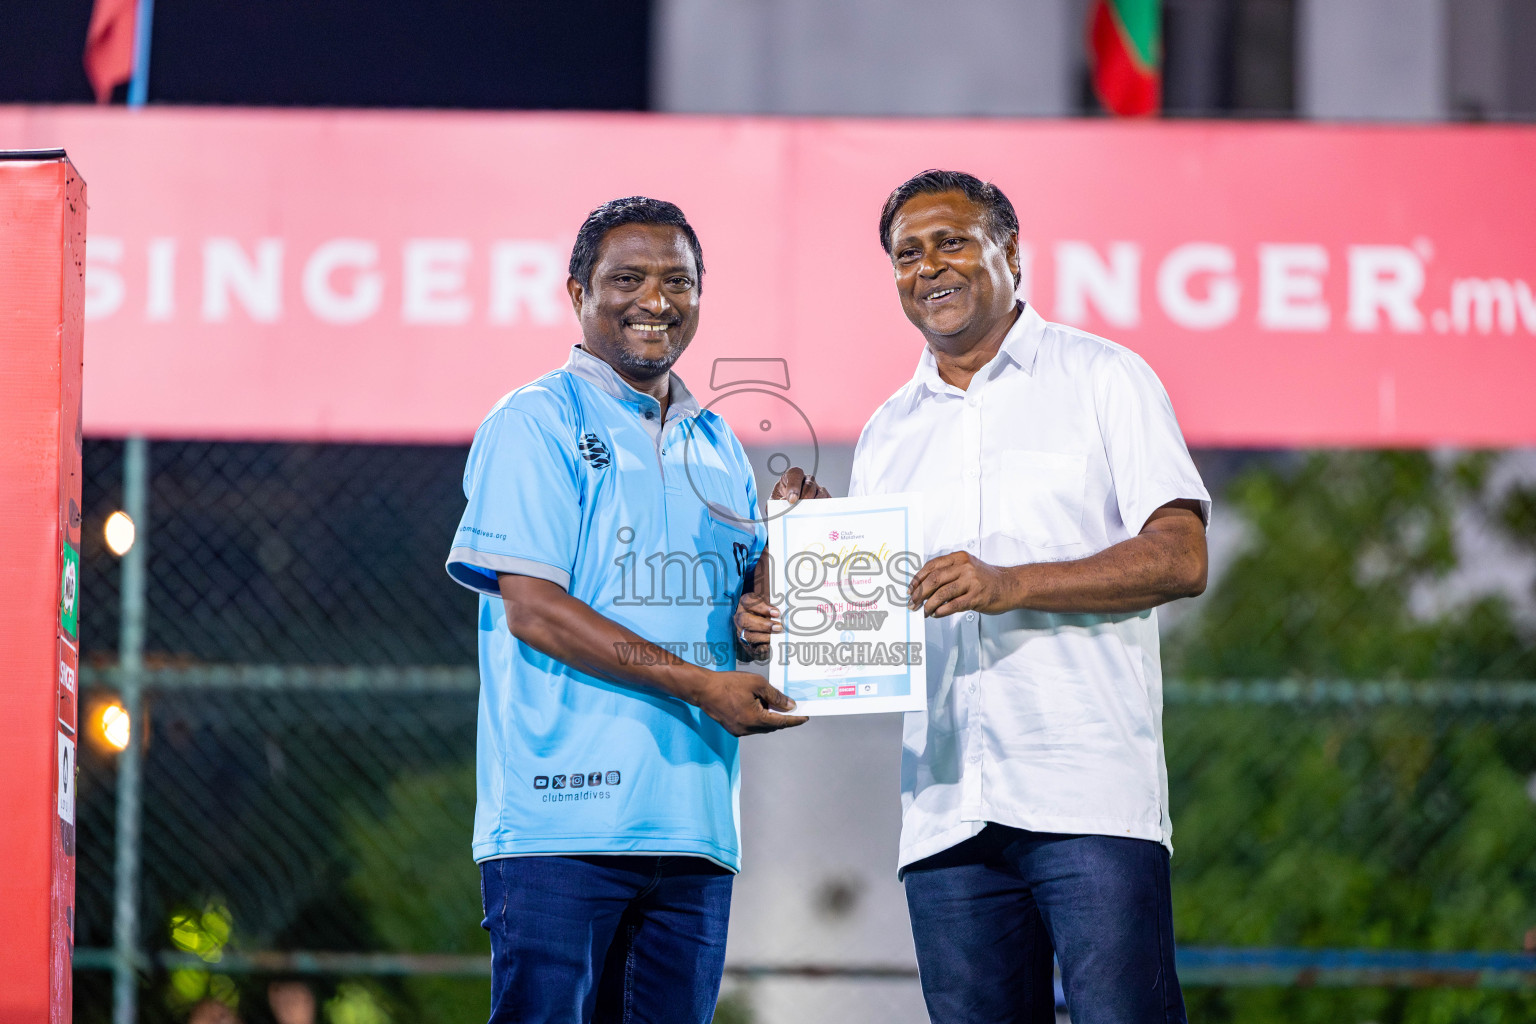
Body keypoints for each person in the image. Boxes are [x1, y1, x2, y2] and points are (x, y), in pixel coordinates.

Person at [738, 170, 1210, 1024]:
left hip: (1088, 793)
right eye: (906, 254)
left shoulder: (1105, 378)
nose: (929, 267)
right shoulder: (889, 430)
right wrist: (814, 566)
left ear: (1012, 252)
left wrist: (1009, 583)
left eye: (951, 241)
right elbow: (873, 636)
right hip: (947, 811)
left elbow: (1180, 559)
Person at [446, 196, 807, 1024]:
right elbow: (534, 610)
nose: (656, 299)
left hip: (694, 828)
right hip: (560, 823)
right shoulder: (535, 421)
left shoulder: (718, 442)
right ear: (577, 291)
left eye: (678, 280)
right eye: (629, 278)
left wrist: (791, 559)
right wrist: (700, 686)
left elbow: (742, 627)